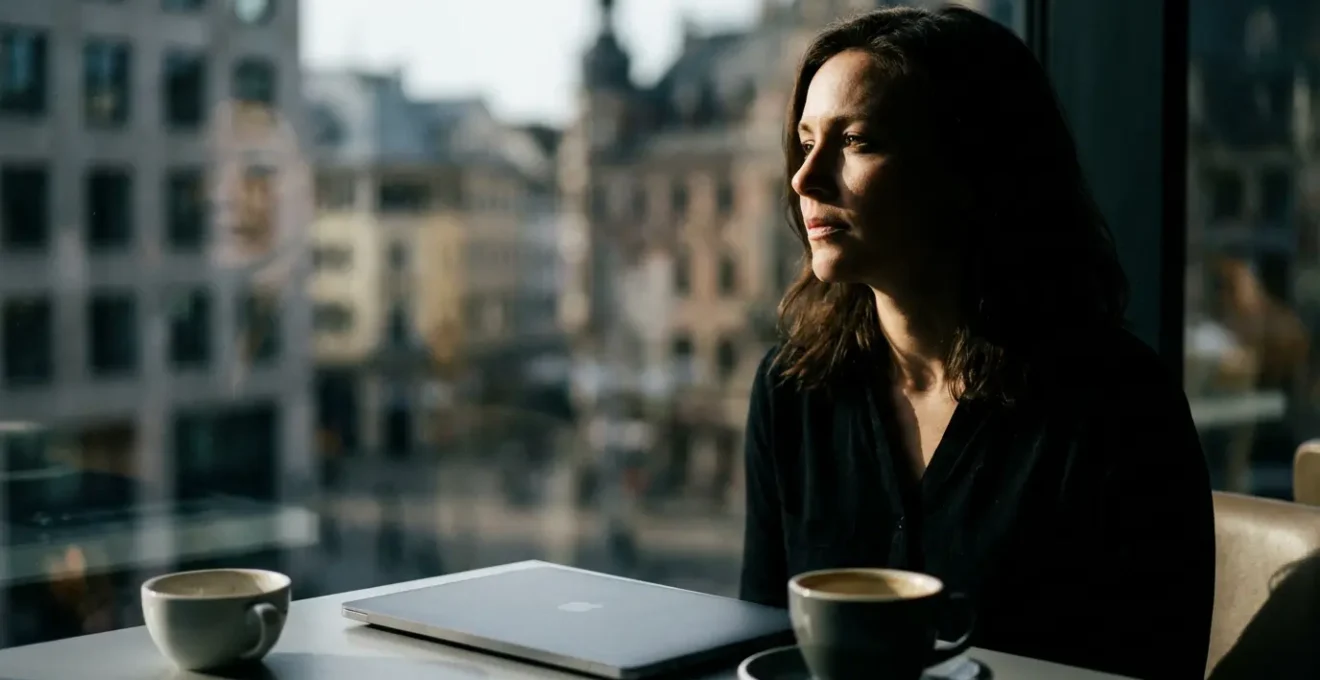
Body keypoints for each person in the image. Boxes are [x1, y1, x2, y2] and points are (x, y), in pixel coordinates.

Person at [739, 7, 1214, 680]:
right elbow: (758, 644)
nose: (805, 179)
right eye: (806, 139)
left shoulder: (1118, 409)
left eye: (858, 142)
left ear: (971, 170)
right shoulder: (793, 389)